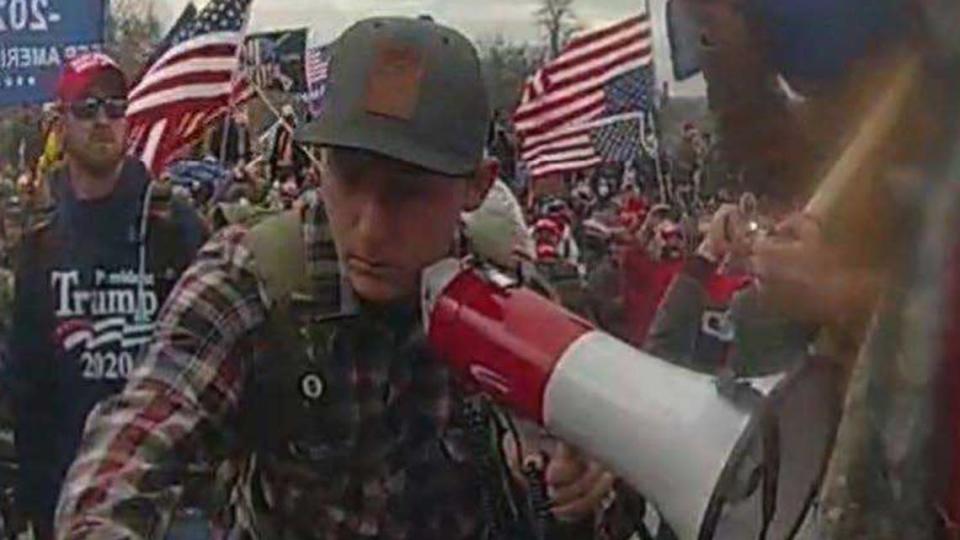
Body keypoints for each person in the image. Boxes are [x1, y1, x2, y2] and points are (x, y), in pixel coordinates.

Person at [55, 18, 627, 540]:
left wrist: (580, 485)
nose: (371, 229)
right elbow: (138, 440)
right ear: (319, 163)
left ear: (477, 186)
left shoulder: (518, 302)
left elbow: (619, 482)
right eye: (350, 179)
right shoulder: (250, 280)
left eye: (408, 191)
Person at [2, 53, 207, 539]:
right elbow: (27, 386)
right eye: (87, 107)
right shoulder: (39, 243)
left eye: (115, 107)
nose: (103, 121)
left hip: (170, 502)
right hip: (71, 499)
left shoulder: (172, 226)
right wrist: (35, 503)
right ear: (62, 122)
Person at [268, 104, 309, 187]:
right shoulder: (280, 130)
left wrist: (304, 164)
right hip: (280, 165)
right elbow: (275, 147)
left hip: (292, 165)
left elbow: (302, 149)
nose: (287, 120)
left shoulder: (297, 131)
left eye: (288, 117)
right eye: (285, 117)